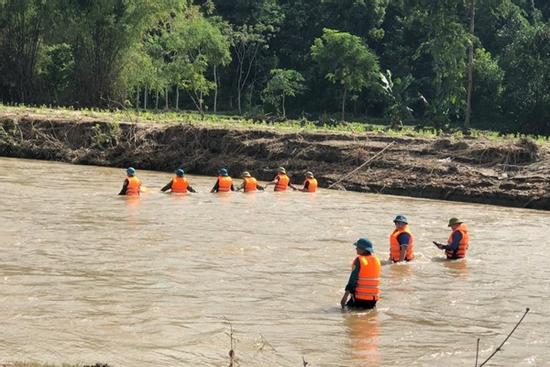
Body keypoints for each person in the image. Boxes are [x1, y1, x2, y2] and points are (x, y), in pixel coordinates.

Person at [340, 238, 381, 310]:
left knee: (344, 313)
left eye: (357, 247)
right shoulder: (376, 260)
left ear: (363, 249)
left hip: (360, 298)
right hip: (373, 300)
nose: (356, 248)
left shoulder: (359, 260)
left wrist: (344, 298)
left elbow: (352, 281)